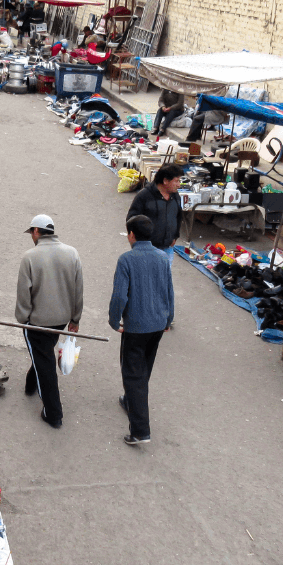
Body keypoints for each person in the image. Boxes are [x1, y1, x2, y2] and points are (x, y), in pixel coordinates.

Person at [109, 214, 174, 445]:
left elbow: (119, 295)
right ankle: (130, 400)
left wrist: (114, 320)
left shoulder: (126, 260)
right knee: (144, 368)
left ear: (132, 235)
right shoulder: (162, 258)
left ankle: (140, 431)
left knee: (133, 373)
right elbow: (169, 292)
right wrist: (169, 319)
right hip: (157, 324)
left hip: (136, 327)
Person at [15, 214, 83, 429]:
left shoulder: (30, 257)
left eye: (31, 233)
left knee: (44, 361)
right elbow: (78, 289)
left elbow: (24, 294)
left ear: (36, 231)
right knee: (42, 353)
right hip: (61, 319)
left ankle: (53, 413)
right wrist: (75, 318)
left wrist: (23, 319)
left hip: (37, 321)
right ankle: (30, 385)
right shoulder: (72, 253)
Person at [126, 163, 183, 259]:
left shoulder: (175, 196)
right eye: (176, 181)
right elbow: (131, 219)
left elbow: (178, 216)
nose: (179, 185)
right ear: (165, 181)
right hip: (146, 250)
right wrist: (136, 243)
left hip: (167, 249)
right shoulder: (144, 196)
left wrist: (175, 236)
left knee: (164, 274)